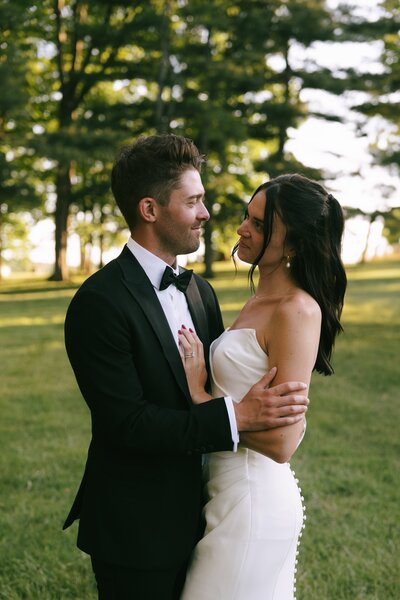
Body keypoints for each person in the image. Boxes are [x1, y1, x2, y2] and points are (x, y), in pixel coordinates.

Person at [62, 135, 309, 600]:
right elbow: (127, 425)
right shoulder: (99, 302)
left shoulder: (201, 292)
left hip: (214, 513)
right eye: (194, 201)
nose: (206, 213)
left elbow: (210, 384)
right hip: (138, 526)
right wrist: (237, 417)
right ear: (150, 210)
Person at [178, 173, 347, 599]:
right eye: (247, 216)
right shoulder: (257, 300)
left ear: (292, 245)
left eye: (259, 224)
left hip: (252, 501)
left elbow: (283, 442)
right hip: (220, 491)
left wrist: (203, 398)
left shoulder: (297, 310)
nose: (241, 229)